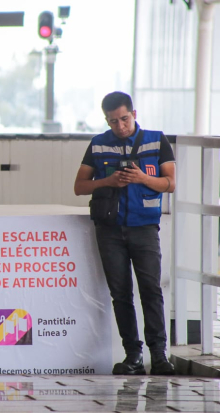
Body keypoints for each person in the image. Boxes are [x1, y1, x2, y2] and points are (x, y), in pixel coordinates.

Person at [73, 91, 176, 376]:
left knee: (151, 291)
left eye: (124, 119)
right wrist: (108, 180)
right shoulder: (98, 144)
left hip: (144, 228)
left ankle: (159, 357)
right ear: (106, 120)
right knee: (121, 294)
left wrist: (142, 178)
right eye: (113, 121)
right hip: (110, 229)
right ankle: (133, 356)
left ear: (134, 113)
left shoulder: (156, 140)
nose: (120, 126)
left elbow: (170, 183)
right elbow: (79, 186)